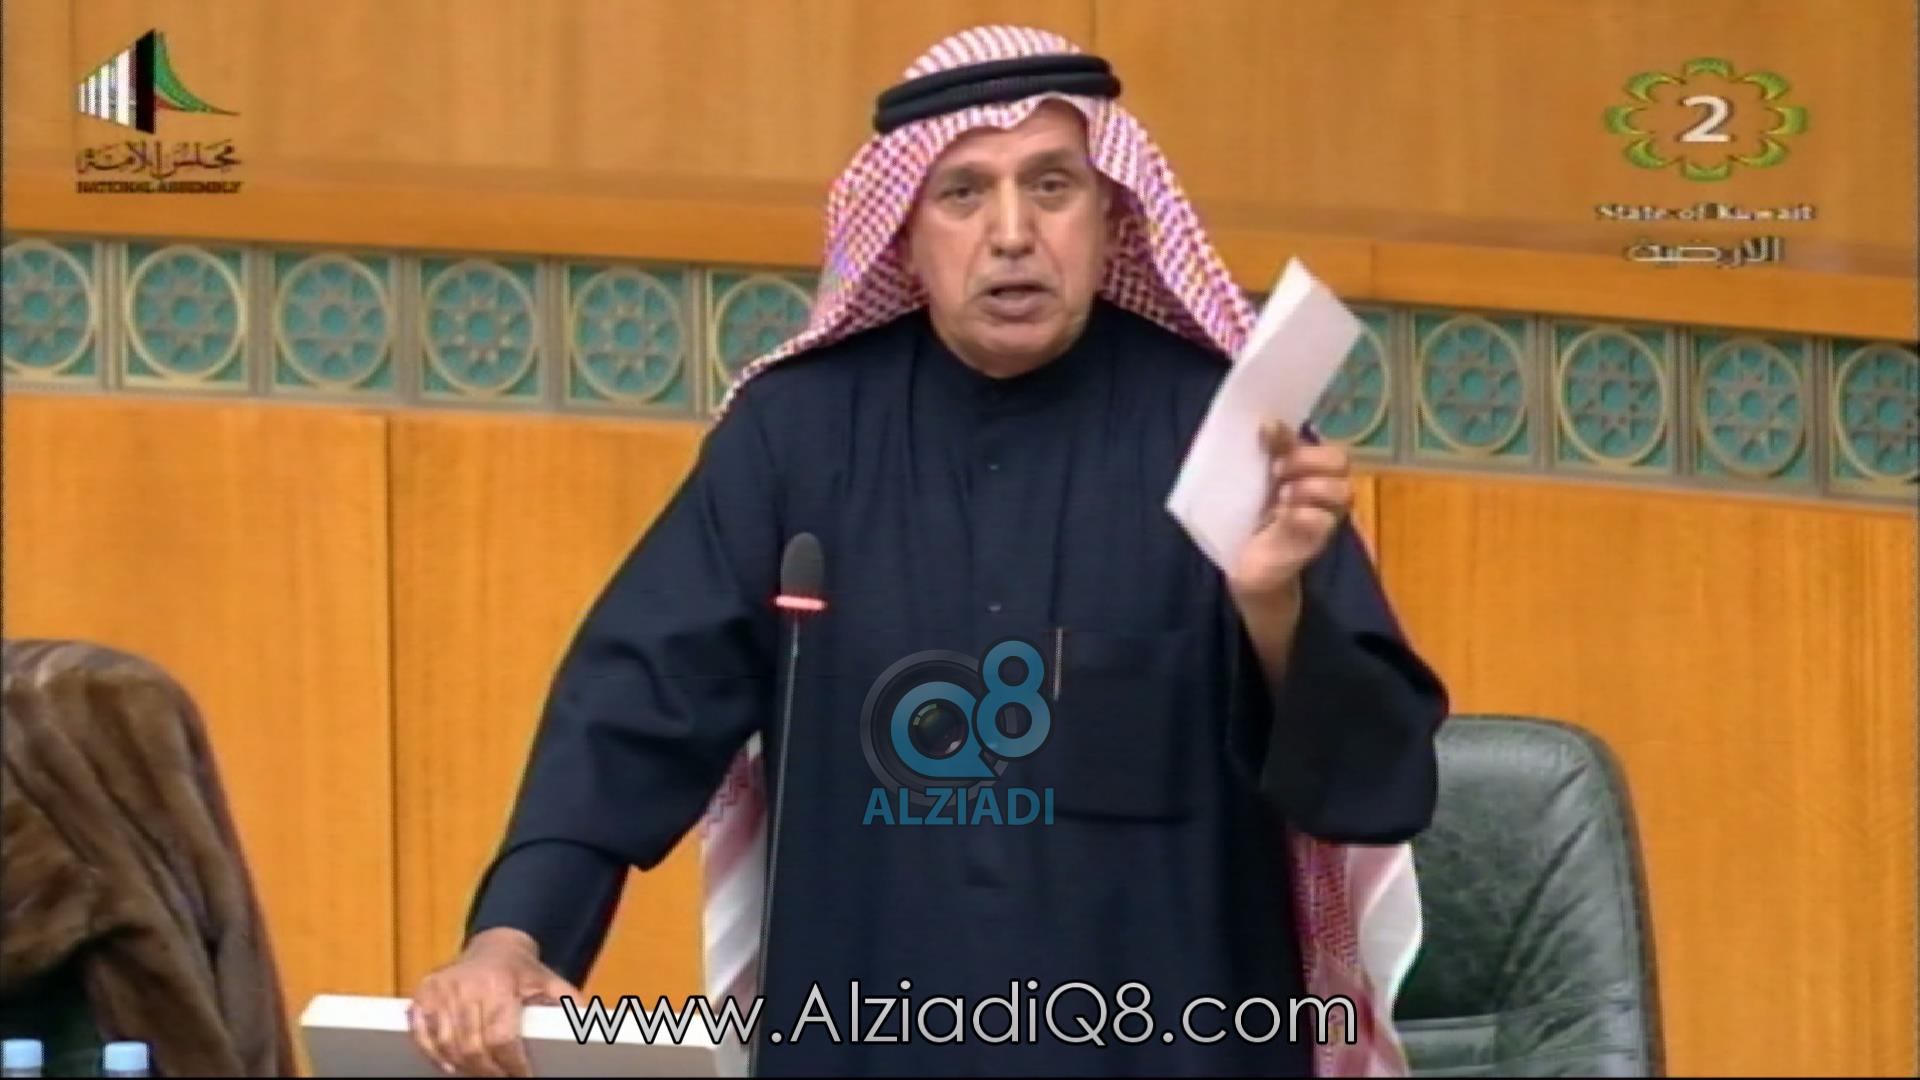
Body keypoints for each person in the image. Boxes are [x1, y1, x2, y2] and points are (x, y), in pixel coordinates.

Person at [407, 24, 1447, 1079]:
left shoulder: (1227, 433)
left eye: (1052, 187)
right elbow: (634, 703)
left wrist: (1275, 609)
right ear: (905, 229)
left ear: (1110, 214)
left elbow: (1377, 788)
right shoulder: (797, 438)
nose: (1012, 234)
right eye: (963, 193)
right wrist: (516, 935)